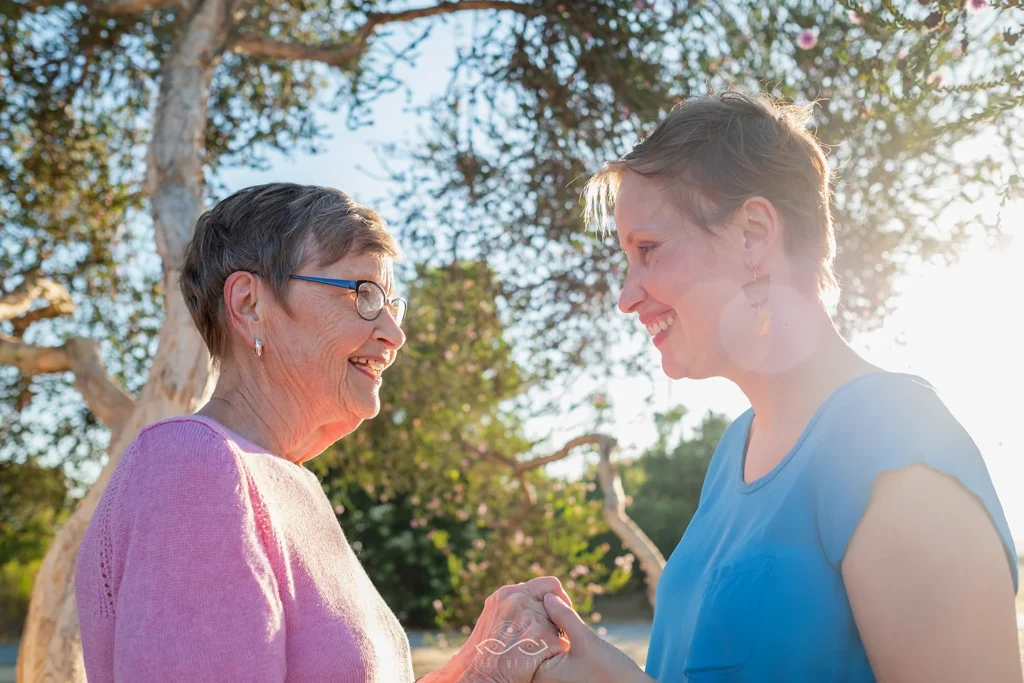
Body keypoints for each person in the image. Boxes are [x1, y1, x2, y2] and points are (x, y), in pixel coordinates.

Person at [534, 92, 1021, 683]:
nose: (627, 294)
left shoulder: (892, 442)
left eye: (648, 250)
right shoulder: (732, 454)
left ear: (754, 234)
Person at [74, 183, 569, 682]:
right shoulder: (193, 468)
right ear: (248, 304)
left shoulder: (281, 480)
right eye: (363, 294)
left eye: (392, 304)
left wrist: (483, 664)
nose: (394, 335)